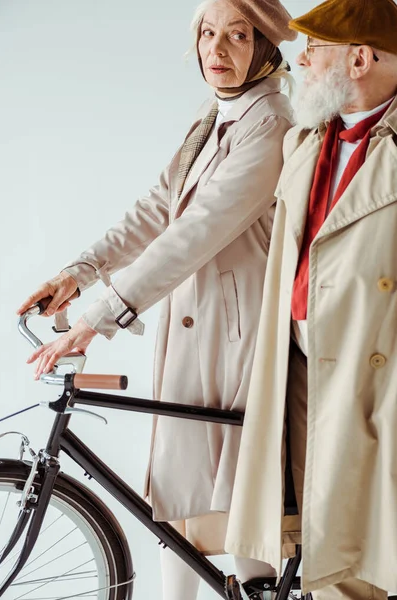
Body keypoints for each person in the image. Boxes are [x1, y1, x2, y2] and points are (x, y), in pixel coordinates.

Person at [18, 0, 297, 597]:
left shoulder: (269, 120)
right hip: (197, 328)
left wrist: (94, 320)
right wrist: (79, 273)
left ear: (265, 47)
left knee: (236, 502)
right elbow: (158, 206)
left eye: (237, 36)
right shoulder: (216, 113)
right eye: (207, 32)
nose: (216, 50)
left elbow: (195, 234)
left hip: (237, 337)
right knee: (180, 498)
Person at [225, 0, 397, 599]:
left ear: (360, 58)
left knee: (364, 556)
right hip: (298, 368)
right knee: (316, 541)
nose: (302, 59)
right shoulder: (305, 141)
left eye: (315, 48)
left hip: (372, 376)